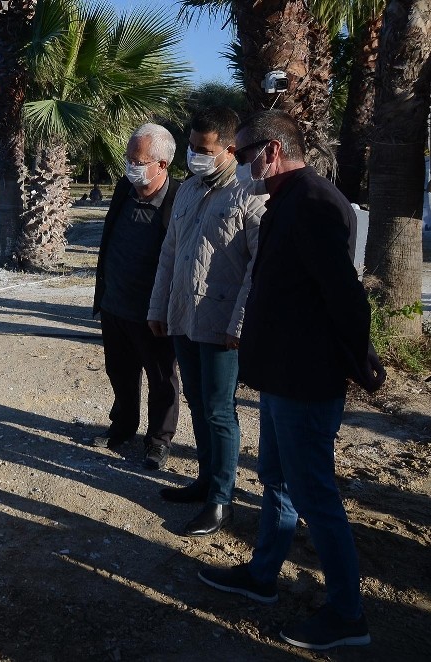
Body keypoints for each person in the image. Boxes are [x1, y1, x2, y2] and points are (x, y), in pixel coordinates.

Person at [197, 110, 385, 651]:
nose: (235, 160)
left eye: (242, 150)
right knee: (277, 480)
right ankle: (262, 577)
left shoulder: (314, 202)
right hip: (282, 374)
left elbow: (344, 294)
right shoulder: (287, 201)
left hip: (307, 378)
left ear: (272, 149)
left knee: (315, 494)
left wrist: (358, 354)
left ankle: (348, 615)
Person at [148, 106, 264, 536]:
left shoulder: (251, 191)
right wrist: (158, 307)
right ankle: (204, 479)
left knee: (219, 410)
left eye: (203, 148)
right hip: (183, 317)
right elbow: (170, 253)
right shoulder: (189, 190)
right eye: (192, 146)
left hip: (221, 324)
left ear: (230, 149)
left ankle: (221, 501)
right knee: (197, 403)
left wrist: (240, 323)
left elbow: (257, 266)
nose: (194, 155)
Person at [92, 123, 180, 470]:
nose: (130, 166)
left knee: (161, 378)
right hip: (115, 304)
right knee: (120, 373)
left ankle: (158, 441)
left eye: (138, 160)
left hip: (153, 311)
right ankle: (123, 427)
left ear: (161, 164)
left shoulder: (178, 198)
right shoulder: (123, 190)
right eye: (129, 158)